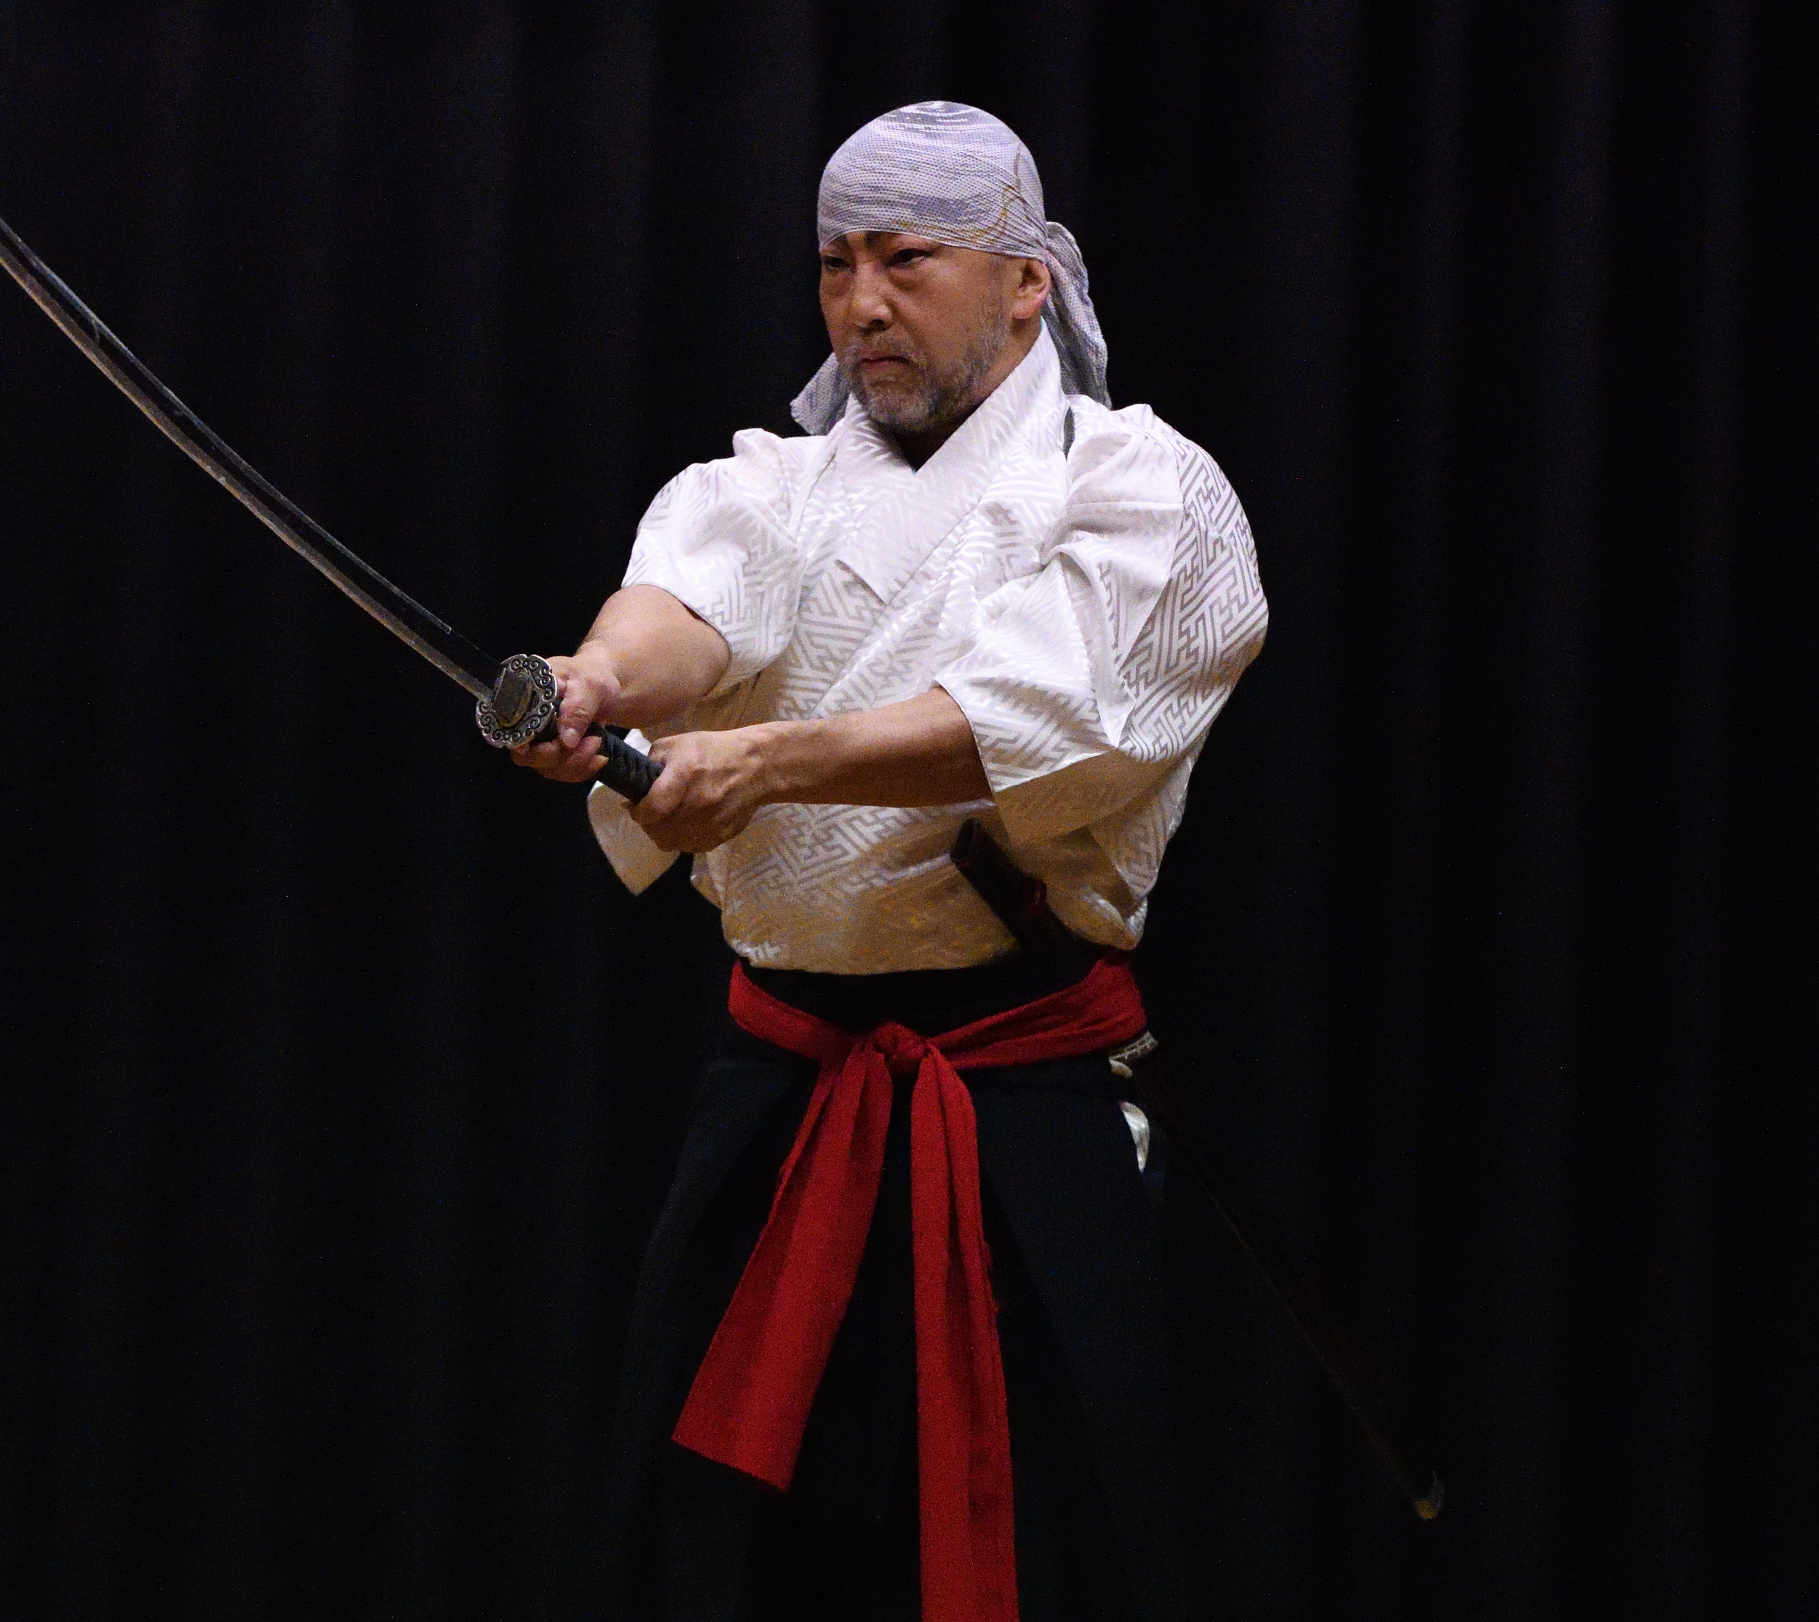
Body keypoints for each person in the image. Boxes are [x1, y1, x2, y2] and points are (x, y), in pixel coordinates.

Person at [516, 101, 1268, 1622]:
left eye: (906, 259)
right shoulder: (776, 486)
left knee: (1043, 1540)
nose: (862, 303)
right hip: (779, 1100)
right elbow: (689, 607)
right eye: (836, 263)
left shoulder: (1145, 488)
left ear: (1027, 280)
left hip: (1019, 1110)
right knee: (725, 1557)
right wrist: (598, 679)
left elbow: (1043, 716)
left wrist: (768, 760)